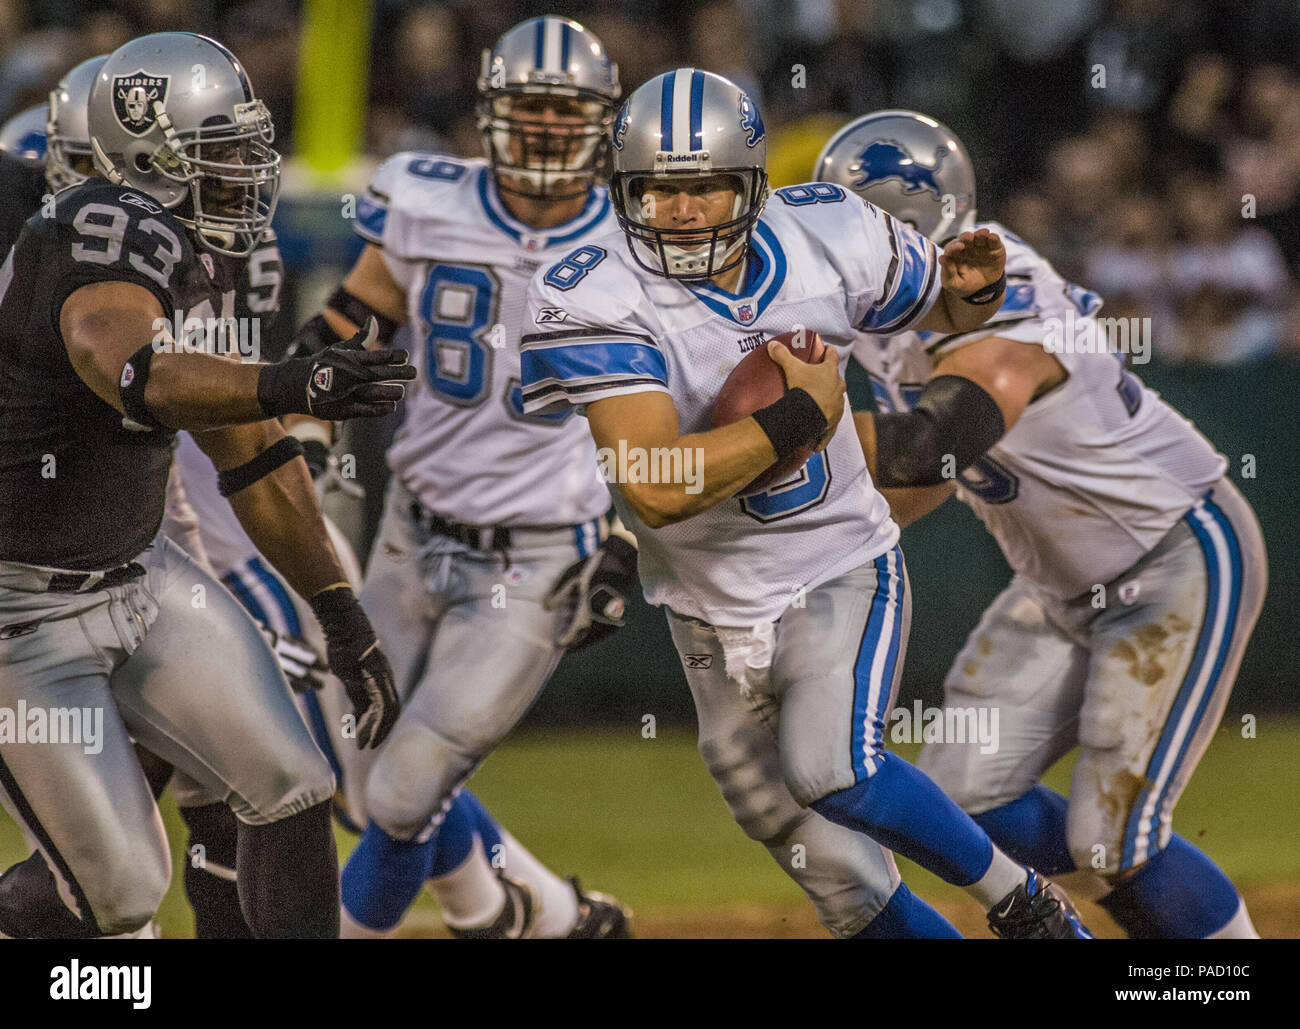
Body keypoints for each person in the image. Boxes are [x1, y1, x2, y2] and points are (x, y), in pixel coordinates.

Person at [521, 69, 1091, 938]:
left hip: (834, 562)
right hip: (704, 606)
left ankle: (1026, 902)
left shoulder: (829, 228)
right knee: (835, 874)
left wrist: (965, 295)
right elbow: (652, 484)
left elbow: (937, 299)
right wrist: (799, 414)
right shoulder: (591, 286)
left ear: (752, 184)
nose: (681, 210)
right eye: (658, 189)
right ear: (623, 190)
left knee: (834, 768)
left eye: (705, 184)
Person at [0, 31, 414, 939]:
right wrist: (292, 379)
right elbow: (129, 368)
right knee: (121, 897)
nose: (249, 173)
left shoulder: (190, 250)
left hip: (139, 574)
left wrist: (340, 614)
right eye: (222, 152)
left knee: (292, 784)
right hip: (19, 616)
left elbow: (253, 456)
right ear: (152, 152)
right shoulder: (97, 224)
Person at [816, 110, 1264, 938]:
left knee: (1111, 840)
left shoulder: (1002, 297)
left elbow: (930, 444)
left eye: (864, 235)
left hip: (1173, 556)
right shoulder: (885, 321)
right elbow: (926, 481)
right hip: (1057, 583)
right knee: (960, 795)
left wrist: (774, 439)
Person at [294, 16, 634, 938]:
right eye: (529, 108)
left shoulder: (640, 239)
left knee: (406, 795)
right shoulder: (423, 199)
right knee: (367, 794)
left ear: (602, 121)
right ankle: (539, 916)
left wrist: (632, 532)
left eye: (569, 112)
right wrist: (306, 423)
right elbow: (344, 327)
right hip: (410, 533)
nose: (548, 129)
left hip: (533, 562)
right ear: (487, 112)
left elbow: (676, 407)